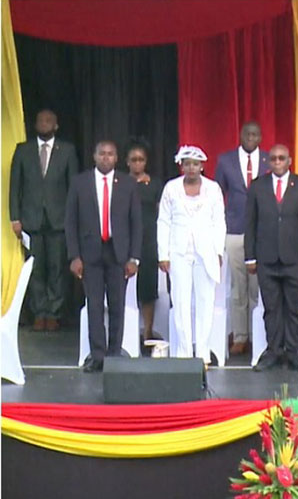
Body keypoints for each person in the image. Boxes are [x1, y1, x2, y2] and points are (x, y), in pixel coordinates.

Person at [64, 140, 141, 372]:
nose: (106, 158)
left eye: (110, 154)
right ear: (94, 156)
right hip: (90, 253)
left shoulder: (128, 183)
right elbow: (71, 221)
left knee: (117, 305)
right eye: (102, 154)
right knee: (94, 305)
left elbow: (136, 223)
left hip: (119, 254)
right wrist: (74, 256)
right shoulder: (80, 182)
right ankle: (98, 355)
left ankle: (114, 354)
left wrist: (134, 258)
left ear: (117, 158)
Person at [245, 144, 298, 372]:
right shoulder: (258, 186)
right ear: (268, 162)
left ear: (289, 161)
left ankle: (294, 353)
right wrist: (250, 257)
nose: (277, 162)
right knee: (272, 309)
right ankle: (273, 352)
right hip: (267, 258)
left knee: (294, 309)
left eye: (281, 158)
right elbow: (250, 224)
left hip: (295, 257)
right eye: (274, 159)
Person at [9, 108, 79, 332]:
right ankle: (40, 313)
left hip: (59, 220)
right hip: (31, 220)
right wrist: (14, 218)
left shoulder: (67, 151)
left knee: (57, 268)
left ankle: (54, 313)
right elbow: (15, 187)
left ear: (56, 125)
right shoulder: (23, 150)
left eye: (49, 120)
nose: (44, 123)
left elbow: (74, 188)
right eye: (40, 120)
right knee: (35, 268)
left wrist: (72, 219)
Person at [157, 146, 226, 363]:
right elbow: (164, 221)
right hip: (178, 252)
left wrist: (217, 250)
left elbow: (219, 221)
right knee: (180, 302)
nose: (192, 168)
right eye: (187, 164)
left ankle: (203, 352)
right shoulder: (171, 188)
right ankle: (184, 352)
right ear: (182, 166)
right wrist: (163, 254)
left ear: (202, 166)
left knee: (205, 302)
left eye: (196, 164)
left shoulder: (213, 189)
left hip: (205, 252)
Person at [215, 122, 267, 355]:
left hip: (263, 232)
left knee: (258, 288)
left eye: (255, 134)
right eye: (247, 134)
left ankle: (258, 335)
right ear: (240, 135)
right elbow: (217, 195)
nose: (250, 137)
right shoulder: (225, 160)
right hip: (234, 230)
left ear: (260, 137)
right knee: (238, 287)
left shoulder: (269, 160)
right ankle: (240, 336)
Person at [126, 140, 165, 343]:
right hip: (126, 238)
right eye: (134, 160)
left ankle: (148, 331)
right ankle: (126, 331)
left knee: (148, 287)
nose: (137, 163)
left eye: (141, 160)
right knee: (125, 285)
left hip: (149, 238)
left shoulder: (156, 184)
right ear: (127, 162)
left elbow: (162, 212)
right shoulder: (121, 182)